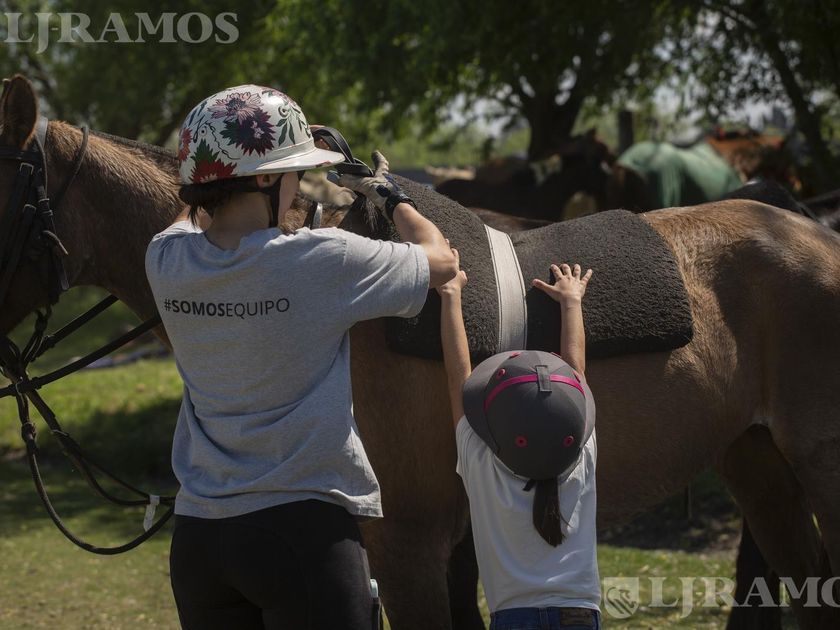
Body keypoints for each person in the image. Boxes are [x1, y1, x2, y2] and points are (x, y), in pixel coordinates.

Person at [144, 84, 456, 630]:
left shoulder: (165, 258)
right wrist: (389, 194)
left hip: (200, 541)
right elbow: (442, 261)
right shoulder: (324, 259)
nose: (299, 183)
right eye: (295, 170)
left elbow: (189, 213)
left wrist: (221, 164)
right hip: (303, 535)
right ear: (267, 179)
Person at [438, 252, 600, 630]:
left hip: (514, 617)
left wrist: (450, 294)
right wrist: (572, 302)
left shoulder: (482, 464)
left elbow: (458, 379)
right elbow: (576, 372)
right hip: (579, 614)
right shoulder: (582, 451)